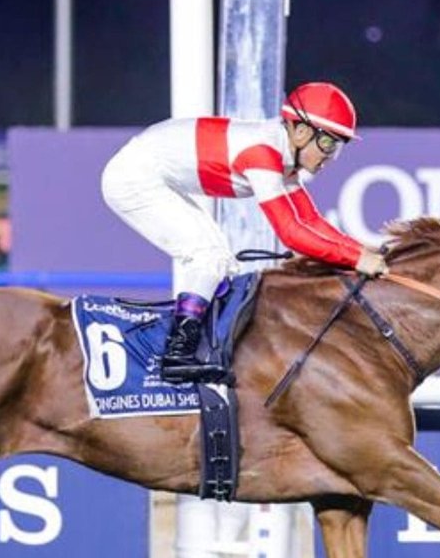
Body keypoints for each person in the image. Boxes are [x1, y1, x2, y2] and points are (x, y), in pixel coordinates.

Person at [101, 80, 387, 383]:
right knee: (208, 257)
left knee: (219, 260)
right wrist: (356, 259)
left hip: (150, 169)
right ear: (302, 132)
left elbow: (310, 220)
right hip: (133, 178)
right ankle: (176, 356)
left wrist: (360, 251)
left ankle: (191, 344)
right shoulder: (262, 153)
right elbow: (290, 232)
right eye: (328, 144)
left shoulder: (283, 153)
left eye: (338, 148)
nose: (330, 156)